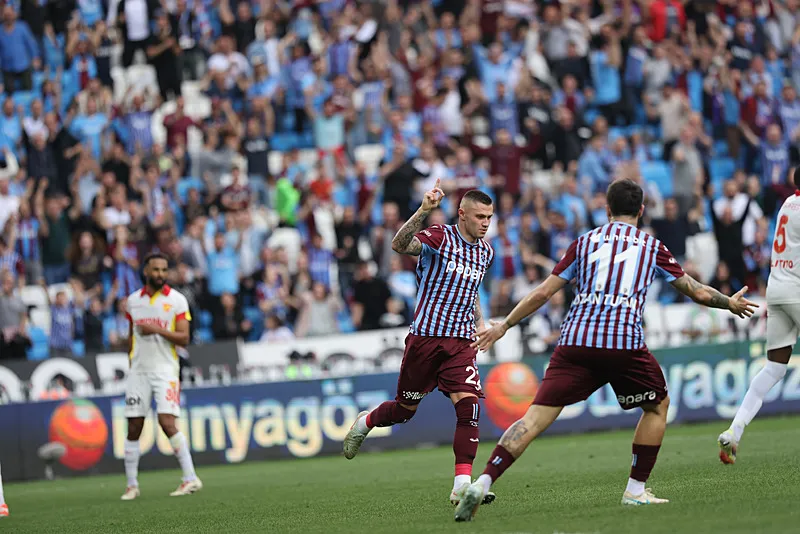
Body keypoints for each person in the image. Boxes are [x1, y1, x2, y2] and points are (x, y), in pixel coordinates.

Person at [453, 179, 757, 522]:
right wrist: (729, 303)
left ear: (607, 209)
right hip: (622, 342)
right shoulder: (651, 246)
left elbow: (543, 292)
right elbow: (695, 290)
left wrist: (504, 325)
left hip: (575, 340)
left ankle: (483, 481)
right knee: (657, 406)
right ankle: (635, 490)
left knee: (533, 419)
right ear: (642, 210)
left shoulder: (584, 242)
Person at [342, 184, 496, 506]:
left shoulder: (486, 252)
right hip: (425, 340)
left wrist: (480, 324)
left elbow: (470, 291)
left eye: (489, 217)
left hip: (460, 343)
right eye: (479, 217)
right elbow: (399, 245)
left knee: (469, 407)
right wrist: (424, 210)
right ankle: (366, 422)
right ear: (462, 214)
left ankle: (462, 485)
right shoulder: (440, 237)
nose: (485, 223)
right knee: (404, 411)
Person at [718, 167, 799, 464]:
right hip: (796, 290)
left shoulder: (788, 203)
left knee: (774, 368)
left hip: (776, 291)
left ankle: (734, 430)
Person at [120, 253, 202, 500]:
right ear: (146, 271)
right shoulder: (133, 302)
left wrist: (156, 329)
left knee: (167, 422)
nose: (160, 274)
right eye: (156, 269)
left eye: (164, 270)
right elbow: (131, 336)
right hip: (139, 371)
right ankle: (131, 485)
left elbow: (184, 338)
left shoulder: (177, 300)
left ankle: (190, 477)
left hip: (166, 370)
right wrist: (131, 361)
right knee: (134, 426)